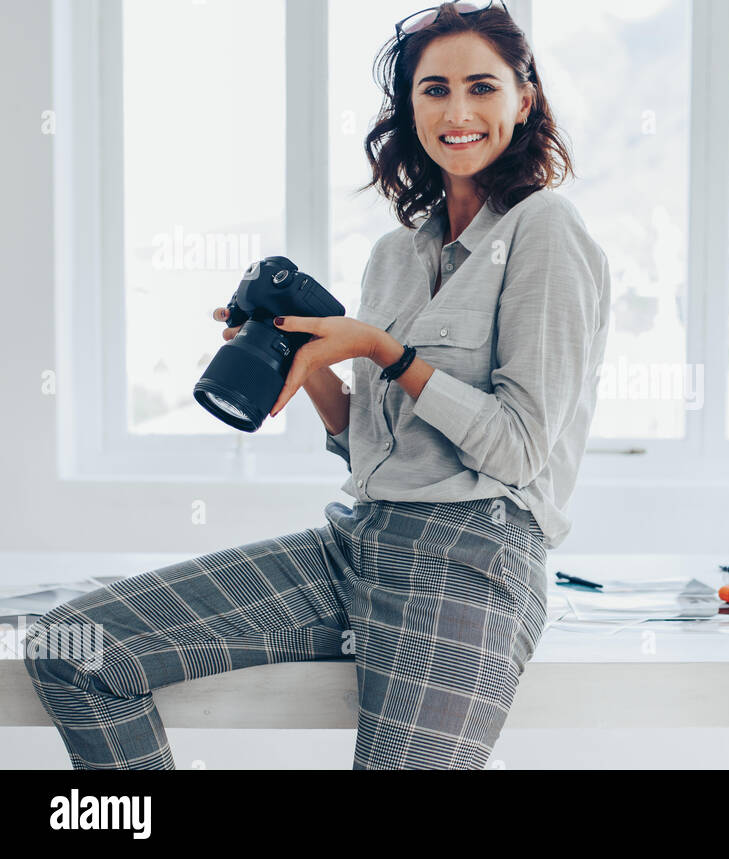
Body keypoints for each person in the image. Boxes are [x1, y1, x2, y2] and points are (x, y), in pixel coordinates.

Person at [24, 0, 610, 770]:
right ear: (409, 107)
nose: (457, 111)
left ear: (523, 99)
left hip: (474, 560)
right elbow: (369, 446)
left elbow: (520, 448)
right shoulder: (396, 256)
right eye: (433, 89)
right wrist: (303, 361)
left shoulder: (546, 230)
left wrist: (384, 349)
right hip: (360, 540)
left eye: (481, 87)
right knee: (75, 649)